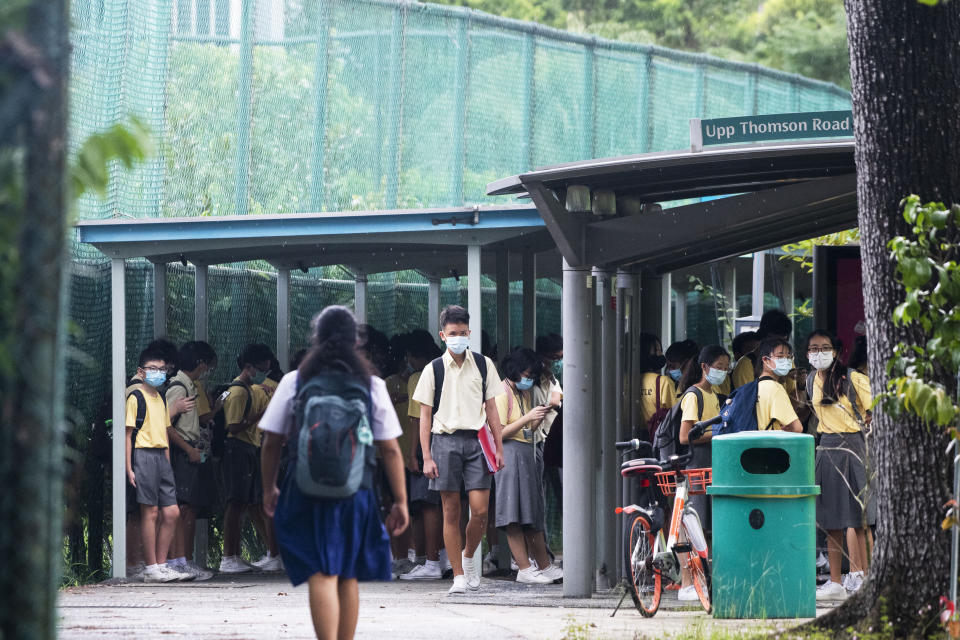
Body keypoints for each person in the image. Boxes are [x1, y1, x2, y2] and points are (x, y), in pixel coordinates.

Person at [260, 306, 409, 640]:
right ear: (355, 340)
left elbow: (271, 442)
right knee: (347, 573)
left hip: (305, 488)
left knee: (321, 573)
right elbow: (390, 449)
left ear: (317, 337)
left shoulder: (294, 381)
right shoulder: (371, 384)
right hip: (356, 490)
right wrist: (400, 501)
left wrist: (269, 487)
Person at [412, 305, 506, 595]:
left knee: (479, 511)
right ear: (443, 335)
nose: (458, 338)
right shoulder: (433, 369)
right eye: (453, 334)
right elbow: (425, 415)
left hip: (478, 441)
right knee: (450, 511)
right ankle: (458, 576)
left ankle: (468, 556)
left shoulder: (483, 364)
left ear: (470, 333)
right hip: (444, 441)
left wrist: (499, 448)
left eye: (463, 333)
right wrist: (426, 456)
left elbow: (492, 408)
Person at [806, 330, 874, 601]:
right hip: (826, 447)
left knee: (861, 519)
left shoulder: (854, 378)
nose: (818, 353)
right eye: (813, 348)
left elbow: (874, 410)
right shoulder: (811, 379)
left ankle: (864, 576)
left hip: (854, 445)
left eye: (824, 348)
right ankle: (835, 581)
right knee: (831, 520)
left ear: (836, 351)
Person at [493, 348, 562, 584]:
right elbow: (498, 433)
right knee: (512, 514)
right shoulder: (501, 393)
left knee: (531, 513)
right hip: (509, 455)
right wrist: (527, 418)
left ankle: (543, 565)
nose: (529, 379)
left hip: (525, 452)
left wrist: (535, 421)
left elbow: (523, 432)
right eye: (526, 373)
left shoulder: (522, 394)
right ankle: (524, 567)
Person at [125, 347, 186, 583]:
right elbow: (127, 434)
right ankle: (151, 566)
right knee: (149, 512)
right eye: (153, 369)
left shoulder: (160, 397)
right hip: (143, 455)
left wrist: (168, 463)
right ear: (141, 371)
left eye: (162, 369)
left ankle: (161, 564)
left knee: (172, 512)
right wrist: (129, 467)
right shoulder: (135, 396)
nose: (158, 373)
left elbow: (164, 430)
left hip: (162, 456)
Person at [676, 344, 730, 601]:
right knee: (691, 524)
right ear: (704, 367)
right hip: (695, 464)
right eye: (718, 367)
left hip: (710, 464)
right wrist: (716, 434)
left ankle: (702, 579)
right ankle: (687, 583)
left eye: (725, 369)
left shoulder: (714, 395)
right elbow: (685, 436)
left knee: (705, 526)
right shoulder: (693, 395)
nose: (722, 372)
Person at [219, 343, 275, 574]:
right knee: (236, 503)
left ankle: (234, 555)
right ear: (249, 366)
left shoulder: (251, 388)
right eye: (261, 366)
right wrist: (260, 416)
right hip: (237, 448)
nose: (265, 369)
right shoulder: (239, 391)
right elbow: (233, 426)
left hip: (247, 448)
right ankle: (228, 556)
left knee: (243, 503)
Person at [399, 331, 448, 581]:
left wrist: (413, 454)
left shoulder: (419, 377)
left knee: (428, 504)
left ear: (414, 356)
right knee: (450, 502)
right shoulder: (448, 371)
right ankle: (446, 556)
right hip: (451, 441)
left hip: (427, 443)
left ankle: (430, 561)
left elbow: (416, 420)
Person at [165, 342, 214, 580]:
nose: (207, 369)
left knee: (189, 508)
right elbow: (166, 426)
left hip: (190, 450)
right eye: (206, 364)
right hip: (181, 451)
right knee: (181, 508)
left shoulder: (189, 386)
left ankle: (184, 559)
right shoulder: (178, 387)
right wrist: (188, 449)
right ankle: (177, 561)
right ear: (199, 363)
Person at [755, 338, 803, 432]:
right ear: (765, 360)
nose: (786, 361)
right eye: (780, 357)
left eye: (788, 357)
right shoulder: (775, 388)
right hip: (770, 444)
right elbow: (797, 428)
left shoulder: (755, 386)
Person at [637, 333, 676, 441]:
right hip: (653, 438)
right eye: (657, 350)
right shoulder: (663, 382)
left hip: (626, 436)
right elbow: (674, 414)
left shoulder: (624, 381)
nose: (660, 354)